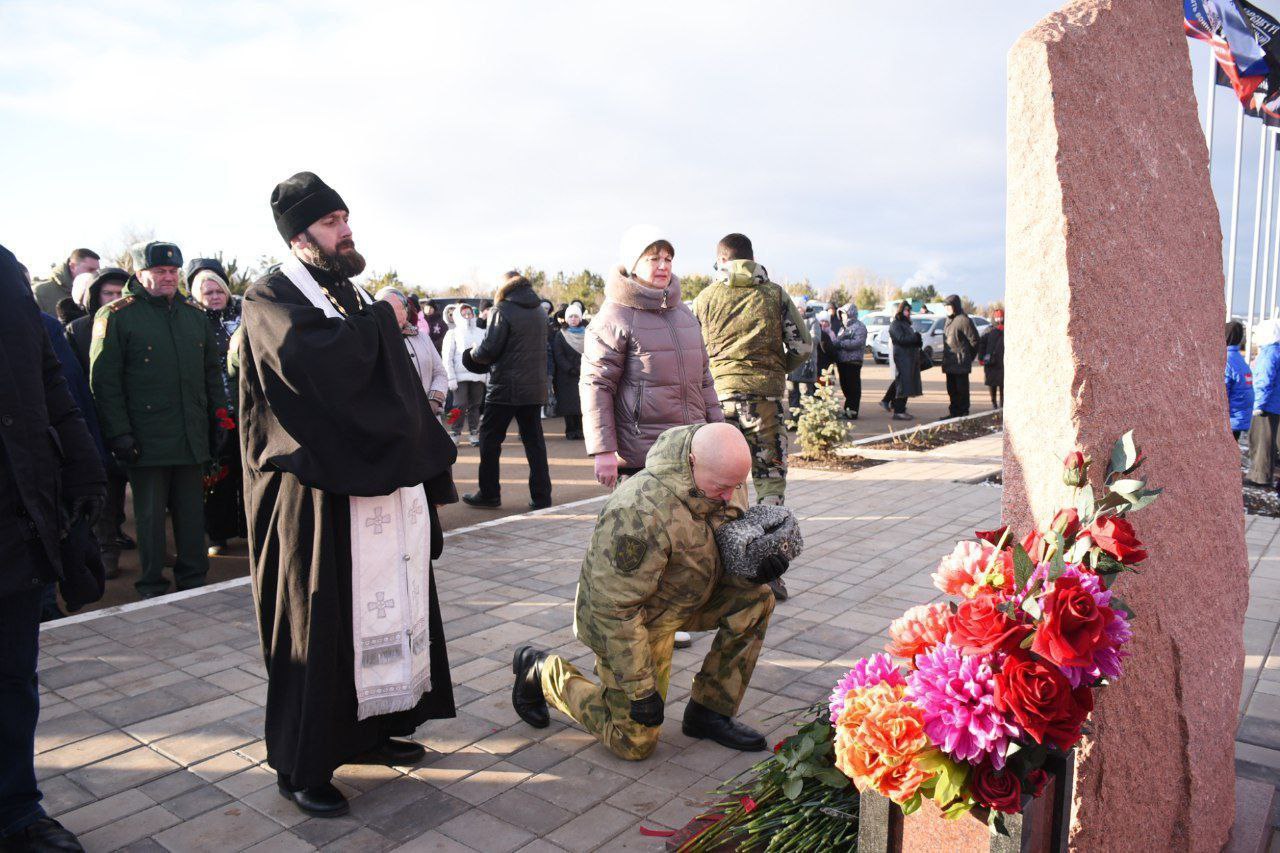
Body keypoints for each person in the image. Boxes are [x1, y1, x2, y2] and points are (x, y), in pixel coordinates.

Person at [240, 171, 458, 818]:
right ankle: (301, 762)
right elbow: (310, 368)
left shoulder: (346, 291)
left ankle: (369, 729)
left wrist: (375, 325)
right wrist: (381, 327)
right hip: (308, 492)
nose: (347, 230)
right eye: (333, 222)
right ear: (300, 234)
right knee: (319, 622)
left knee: (377, 612)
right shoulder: (269, 295)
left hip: (368, 481)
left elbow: (381, 372)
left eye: (346, 217)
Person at [511, 423, 779, 760]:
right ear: (693, 462)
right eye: (723, 486)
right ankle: (542, 670)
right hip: (635, 621)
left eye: (737, 485)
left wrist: (753, 566)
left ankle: (709, 711)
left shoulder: (722, 478)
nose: (730, 495)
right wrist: (641, 691)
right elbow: (615, 611)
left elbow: (721, 541)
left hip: (685, 596)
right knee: (634, 742)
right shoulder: (637, 513)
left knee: (757, 599)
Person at [1, 244, 105, 852]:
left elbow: (50, 382)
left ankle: (16, 808)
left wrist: (86, 470)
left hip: (14, 518)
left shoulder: (4, 276)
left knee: (12, 677)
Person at [89, 241, 227, 599]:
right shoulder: (117, 316)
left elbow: (212, 372)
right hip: (146, 438)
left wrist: (218, 419)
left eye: (173, 271)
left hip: (190, 433)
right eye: (159, 271)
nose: (168, 277)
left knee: (191, 513)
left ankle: (194, 578)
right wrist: (118, 433)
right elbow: (104, 383)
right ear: (140, 274)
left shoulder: (192, 314)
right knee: (149, 519)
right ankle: (151, 584)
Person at [584, 225, 724, 490]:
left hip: (691, 450)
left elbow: (704, 381)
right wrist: (603, 451)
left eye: (668, 259)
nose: (663, 265)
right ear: (634, 263)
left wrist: (718, 430)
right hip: (642, 455)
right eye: (653, 258)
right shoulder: (614, 318)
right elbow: (596, 386)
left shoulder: (684, 315)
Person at [693, 234, 811, 517]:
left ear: (722, 260)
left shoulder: (705, 298)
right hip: (765, 399)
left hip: (718, 398)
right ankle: (764, 544)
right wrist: (777, 367)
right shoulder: (775, 294)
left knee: (718, 476)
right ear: (752, 258)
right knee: (769, 477)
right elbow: (803, 346)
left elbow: (690, 351)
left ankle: (722, 542)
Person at [460, 272, 552, 509]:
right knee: (535, 444)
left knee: (489, 440)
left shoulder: (502, 309)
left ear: (505, 286)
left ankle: (489, 493)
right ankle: (542, 496)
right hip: (534, 387)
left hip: (505, 388)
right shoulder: (540, 311)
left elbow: (490, 349)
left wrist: (471, 354)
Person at [189, 258, 248, 557]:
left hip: (245, 406)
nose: (214, 296)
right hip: (212, 410)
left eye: (218, 291)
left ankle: (248, 528)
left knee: (246, 472)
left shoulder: (243, 315)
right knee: (217, 476)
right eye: (207, 292)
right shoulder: (193, 321)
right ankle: (218, 534)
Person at [376, 288, 448, 416]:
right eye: (389, 308)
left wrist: (433, 401)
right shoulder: (375, 341)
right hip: (395, 421)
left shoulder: (422, 337)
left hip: (430, 418)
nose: (396, 312)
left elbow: (439, 372)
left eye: (401, 307)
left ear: (407, 310)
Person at [66, 267, 128, 377]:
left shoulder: (143, 323)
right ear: (95, 295)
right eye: (108, 293)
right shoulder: (76, 330)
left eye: (120, 293)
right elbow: (74, 373)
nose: (115, 299)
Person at [441, 303, 486, 445]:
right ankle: (453, 431)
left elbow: (486, 355)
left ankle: (474, 433)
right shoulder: (452, 333)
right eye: (464, 314)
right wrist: (450, 377)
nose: (467, 316)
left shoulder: (481, 332)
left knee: (476, 405)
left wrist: (487, 375)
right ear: (458, 316)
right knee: (458, 405)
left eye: (469, 313)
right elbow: (446, 357)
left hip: (478, 375)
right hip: (459, 377)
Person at [941, 294, 980, 418]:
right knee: (951, 390)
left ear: (955, 306)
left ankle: (963, 413)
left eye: (949, 306)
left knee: (961, 390)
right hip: (949, 363)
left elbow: (975, 341)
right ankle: (954, 413)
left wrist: (967, 357)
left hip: (960, 364)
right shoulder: (948, 320)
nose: (947, 309)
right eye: (945, 307)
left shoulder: (964, 320)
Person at [553, 302, 586, 440]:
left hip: (584, 373)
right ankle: (570, 429)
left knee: (581, 404)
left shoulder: (588, 333)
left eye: (576, 316)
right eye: (571, 316)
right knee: (569, 405)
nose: (573, 319)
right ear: (566, 318)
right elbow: (558, 355)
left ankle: (580, 429)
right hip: (566, 376)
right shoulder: (561, 335)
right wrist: (570, 368)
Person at [32, 248, 100, 315]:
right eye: (90, 269)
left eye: (97, 270)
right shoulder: (40, 293)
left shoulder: (100, 290)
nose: (95, 274)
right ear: (73, 267)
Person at [888, 301, 923, 420]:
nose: (908, 313)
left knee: (907, 384)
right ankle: (898, 411)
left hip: (909, 357)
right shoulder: (895, 324)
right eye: (906, 310)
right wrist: (915, 337)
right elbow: (900, 339)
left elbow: (909, 339)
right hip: (902, 358)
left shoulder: (906, 324)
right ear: (901, 310)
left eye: (909, 310)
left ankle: (901, 409)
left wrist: (918, 340)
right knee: (902, 384)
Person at [832, 304, 867, 418]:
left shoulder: (860, 327)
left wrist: (841, 344)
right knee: (845, 386)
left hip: (853, 362)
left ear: (850, 313)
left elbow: (858, 342)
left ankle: (852, 411)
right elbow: (837, 340)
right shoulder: (843, 328)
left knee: (853, 387)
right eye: (840, 314)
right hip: (842, 362)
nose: (842, 316)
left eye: (843, 314)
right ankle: (847, 409)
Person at [1227, 320, 1254, 441]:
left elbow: (1222, 393)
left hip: (1230, 418)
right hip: (1239, 418)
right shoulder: (1240, 360)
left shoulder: (1226, 360)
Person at [978, 308, 1005, 409]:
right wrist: (981, 357)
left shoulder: (1008, 330)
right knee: (992, 384)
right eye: (997, 317)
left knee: (1003, 385)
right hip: (991, 363)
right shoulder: (988, 330)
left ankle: (1003, 404)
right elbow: (982, 345)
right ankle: (994, 404)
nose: (999, 320)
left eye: (1001, 317)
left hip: (1003, 363)